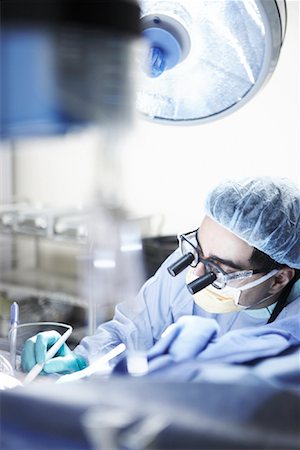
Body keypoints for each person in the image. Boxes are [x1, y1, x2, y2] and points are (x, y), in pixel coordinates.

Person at [21, 176, 300, 376]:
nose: (195, 274)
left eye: (217, 271)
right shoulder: (189, 264)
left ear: (278, 279)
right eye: (195, 252)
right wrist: (84, 361)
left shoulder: (292, 330)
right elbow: (130, 332)